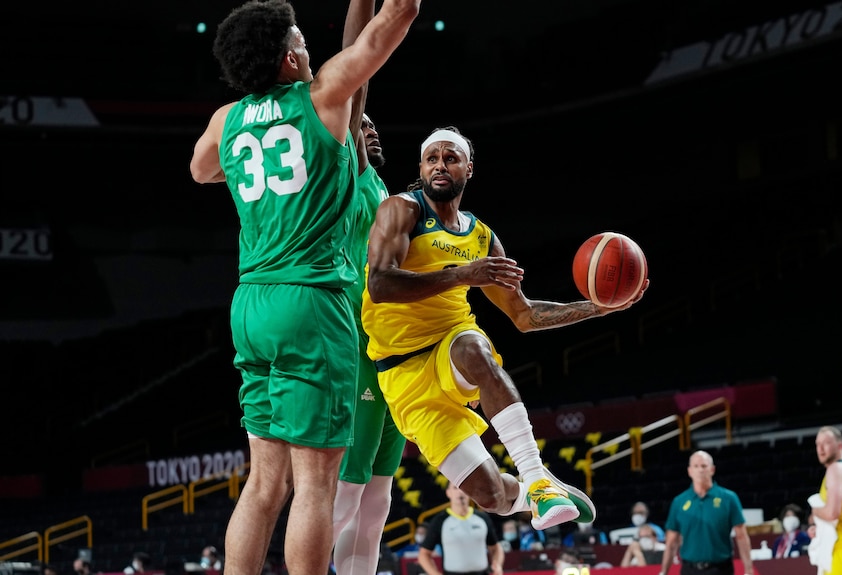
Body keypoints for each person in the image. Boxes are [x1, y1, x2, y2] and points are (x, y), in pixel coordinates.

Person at [188, 1, 421, 575]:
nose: (312, 50)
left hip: (250, 304)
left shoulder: (227, 119)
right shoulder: (323, 98)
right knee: (316, 485)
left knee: (264, 484)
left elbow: (200, 169)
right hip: (311, 301)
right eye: (302, 41)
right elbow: (400, 14)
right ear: (291, 57)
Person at [360, 125, 648, 531]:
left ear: (468, 169)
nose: (440, 165)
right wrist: (463, 274)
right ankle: (531, 492)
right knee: (491, 496)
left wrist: (596, 309)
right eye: (432, 158)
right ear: (421, 168)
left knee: (472, 349)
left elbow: (524, 315)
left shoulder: (482, 237)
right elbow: (380, 284)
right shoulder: (401, 210)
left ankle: (536, 477)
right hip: (401, 374)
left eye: (451, 157)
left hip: (450, 342)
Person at [330, 3, 408, 575]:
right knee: (348, 489)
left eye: (374, 126)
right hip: (355, 341)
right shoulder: (344, 170)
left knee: (379, 495)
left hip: (392, 348)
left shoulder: (381, 187)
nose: (371, 128)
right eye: (363, 124)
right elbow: (357, 71)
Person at [657, 450, 753, 575]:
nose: (700, 470)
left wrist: (749, 570)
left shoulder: (728, 498)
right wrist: (663, 572)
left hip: (720, 569)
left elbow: (741, 536)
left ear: (712, 469)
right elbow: (671, 542)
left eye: (704, 466)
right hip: (689, 569)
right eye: (696, 466)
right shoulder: (679, 502)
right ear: (689, 471)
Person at [807, 426, 842, 575]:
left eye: (826, 443)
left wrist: (815, 511)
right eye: (817, 444)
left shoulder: (835, 469)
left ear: (839, 445)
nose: (821, 448)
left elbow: (832, 513)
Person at [417, 481, 504, 575]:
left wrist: (497, 565)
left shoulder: (482, 518)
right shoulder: (440, 521)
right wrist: (435, 573)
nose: (460, 492)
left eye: (463, 488)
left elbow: (496, 547)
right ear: (448, 492)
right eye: (455, 488)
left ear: (470, 492)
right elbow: (424, 554)